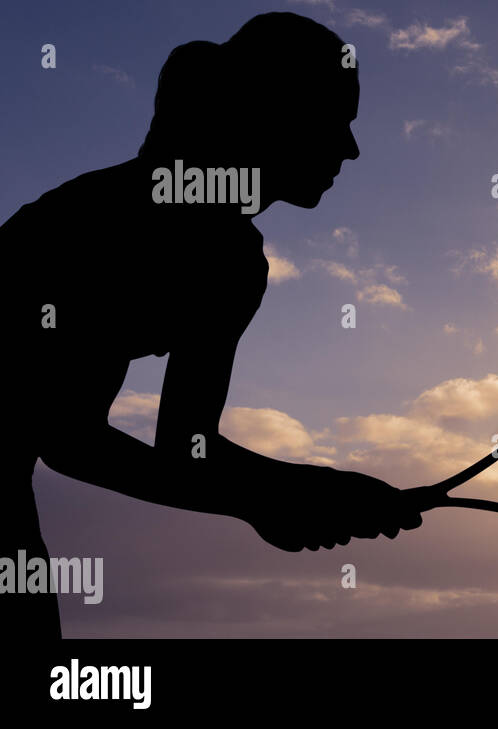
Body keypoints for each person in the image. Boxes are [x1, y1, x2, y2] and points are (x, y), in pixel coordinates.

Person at [4, 12, 422, 639]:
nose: (350, 148)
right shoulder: (188, 245)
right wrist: (277, 497)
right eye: (338, 120)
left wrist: (291, 493)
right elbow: (70, 440)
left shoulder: (216, 254)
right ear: (275, 114)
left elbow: (169, 447)